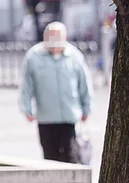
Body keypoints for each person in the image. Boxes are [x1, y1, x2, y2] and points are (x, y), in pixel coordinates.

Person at [19, 22, 92, 163]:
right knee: (49, 157)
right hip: (46, 118)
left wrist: (87, 108)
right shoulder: (33, 57)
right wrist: (26, 109)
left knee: (70, 155)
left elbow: (84, 83)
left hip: (69, 116)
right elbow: (26, 86)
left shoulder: (74, 56)